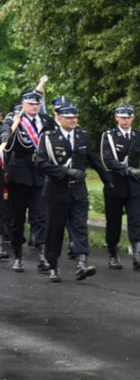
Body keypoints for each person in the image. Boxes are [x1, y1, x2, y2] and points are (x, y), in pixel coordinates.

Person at [34, 102, 110, 283]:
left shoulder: (82, 136)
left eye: (75, 117)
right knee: (55, 230)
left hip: (78, 190)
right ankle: (53, 267)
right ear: (59, 118)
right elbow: (41, 163)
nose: (73, 120)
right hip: (56, 191)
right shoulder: (48, 137)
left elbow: (93, 158)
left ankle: (82, 264)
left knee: (80, 227)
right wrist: (65, 172)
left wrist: (108, 180)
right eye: (69, 117)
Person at [1, 89, 57, 273]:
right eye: (30, 104)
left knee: (40, 216)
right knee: (17, 218)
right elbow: (5, 133)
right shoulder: (14, 119)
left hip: (40, 175)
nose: (34, 107)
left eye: (37, 104)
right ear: (24, 104)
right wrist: (5, 137)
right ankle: (18, 254)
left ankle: (42, 253)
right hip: (19, 175)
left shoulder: (46, 121)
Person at [100, 103, 140, 271]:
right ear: (116, 117)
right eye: (122, 117)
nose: (125, 120)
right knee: (114, 222)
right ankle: (113, 254)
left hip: (134, 187)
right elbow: (107, 160)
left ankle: (137, 255)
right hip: (115, 185)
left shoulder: (139, 135)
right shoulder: (109, 136)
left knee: (135, 221)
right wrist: (128, 169)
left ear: (133, 118)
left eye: (128, 117)